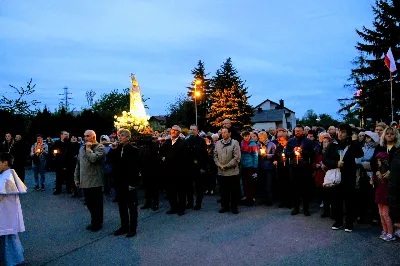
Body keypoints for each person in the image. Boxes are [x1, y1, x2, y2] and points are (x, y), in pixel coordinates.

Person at [323, 123, 364, 232]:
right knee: (336, 199)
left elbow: (360, 154)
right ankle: (338, 220)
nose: (341, 134)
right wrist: (336, 163)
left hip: (349, 175)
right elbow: (325, 159)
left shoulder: (352, 144)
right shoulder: (333, 144)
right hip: (336, 175)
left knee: (350, 200)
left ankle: (349, 222)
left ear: (348, 133)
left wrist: (355, 142)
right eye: (339, 131)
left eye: (344, 132)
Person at [109, 129, 140, 237]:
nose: (119, 137)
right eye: (119, 135)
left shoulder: (134, 150)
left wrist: (133, 183)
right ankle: (124, 226)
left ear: (128, 137)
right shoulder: (116, 149)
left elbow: (135, 168)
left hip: (129, 182)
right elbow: (109, 161)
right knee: (121, 205)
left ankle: (132, 228)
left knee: (131, 206)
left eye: (122, 135)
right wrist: (112, 150)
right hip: (119, 182)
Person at [74, 130, 105, 232]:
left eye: (88, 136)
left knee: (97, 204)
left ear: (93, 137)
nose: (85, 138)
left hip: (95, 181)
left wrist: (88, 149)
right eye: (84, 136)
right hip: (85, 181)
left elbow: (94, 159)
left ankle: (98, 222)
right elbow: (78, 164)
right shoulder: (82, 148)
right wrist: (76, 178)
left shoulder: (100, 147)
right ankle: (94, 220)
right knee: (89, 203)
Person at [0, 152, 27, 266]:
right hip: (6, 213)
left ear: (5, 163)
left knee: (8, 238)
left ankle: (12, 261)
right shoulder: (6, 175)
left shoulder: (7, 178)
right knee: (9, 238)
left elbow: (1, 194)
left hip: (6, 214)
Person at [287, 125, 315, 216]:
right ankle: (296, 207)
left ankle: (306, 208)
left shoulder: (308, 141)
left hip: (305, 167)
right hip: (294, 167)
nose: (297, 132)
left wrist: (302, 152)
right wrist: (292, 152)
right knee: (294, 188)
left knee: (305, 188)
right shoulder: (291, 141)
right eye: (296, 131)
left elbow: (312, 154)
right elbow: (287, 153)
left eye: (299, 131)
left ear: (303, 131)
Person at [161, 125, 188, 216]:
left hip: (179, 171)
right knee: (170, 190)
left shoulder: (183, 143)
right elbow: (162, 153)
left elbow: (184, 157)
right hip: (168, 171)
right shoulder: (167, 142)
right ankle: (173, 207)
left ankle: (181, 208)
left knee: (180, 191)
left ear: (179, 133)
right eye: (172, 130)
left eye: (176, 130)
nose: (173, 132)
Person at [214, 128, 241, 214]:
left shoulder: (235, 143)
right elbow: (215, 155)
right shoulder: (218, 143)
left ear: (229, 133)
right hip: (221, 172)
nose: (223, 134)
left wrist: (227, 166)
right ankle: (225, 206)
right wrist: (219, 165)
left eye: (225, 132)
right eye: (222, 132)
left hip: (232, 172)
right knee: (223, 191)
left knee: (234, 191)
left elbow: (237, 157)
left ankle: (234, 207)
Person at [371, 152, 396, 241]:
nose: (378, 162)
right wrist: (372, 180)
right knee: (381, 214)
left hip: (385, 196)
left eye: (379, 160)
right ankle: (385, 230)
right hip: (379, 195)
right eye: (377, 160)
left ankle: (390, 233)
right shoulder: (377, 172)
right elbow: (375, 184)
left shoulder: (388, 174)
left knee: (386, 214)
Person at [185, 125, 207, 210]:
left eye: (193, 129)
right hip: (189, 167)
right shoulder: (186, 141)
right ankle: (190, 203)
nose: (192, 131)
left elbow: (204, 155)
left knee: (198, 187)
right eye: (190, 129)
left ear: (197, 131)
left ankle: (198, 204)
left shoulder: (201, 141)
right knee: (189, 187)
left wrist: (203, 167)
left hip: (198, 167)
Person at [240, 131, 259, 206]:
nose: (246, 137)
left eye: (247, 136)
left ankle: (250, 198)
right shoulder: (242, 143)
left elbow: (255, 156)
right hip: (243, 165)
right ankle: (246, 196)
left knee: (250, 183)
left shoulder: (253, 144)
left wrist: (255, 167)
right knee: (245, 183)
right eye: (245, 136)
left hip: (250, 165)